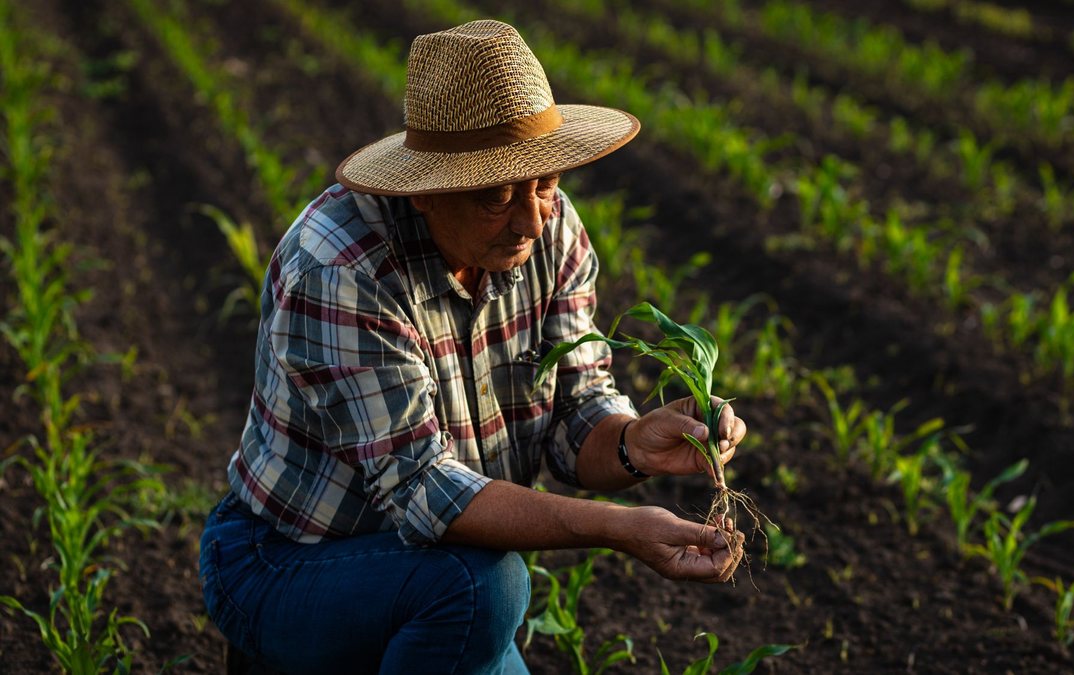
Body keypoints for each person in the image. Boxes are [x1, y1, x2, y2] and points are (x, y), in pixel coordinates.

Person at [199, 19, 746, 675]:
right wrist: (618, 527)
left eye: (546, 182)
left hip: (439, 573)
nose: (534, 218)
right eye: (497, 194)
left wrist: (633, 441)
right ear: (427, 190)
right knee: (487, 588)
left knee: (479, 591)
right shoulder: (344, 269)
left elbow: (577, 413)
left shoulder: (551, 229)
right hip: (290, 562)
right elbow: (426, 490)